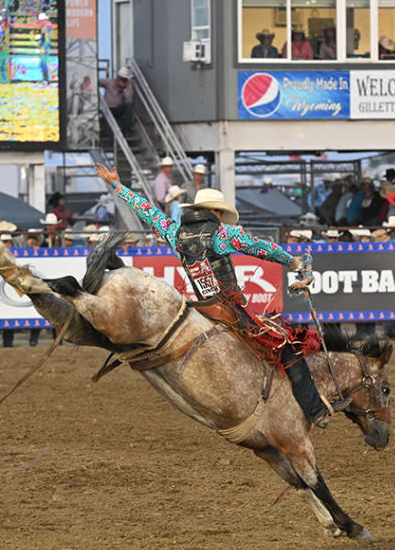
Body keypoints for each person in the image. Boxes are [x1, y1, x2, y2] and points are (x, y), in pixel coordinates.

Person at [96, 163, 340, 428]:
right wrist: (291, 261)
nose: (222, 217)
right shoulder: (222, 234)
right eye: (220, 212)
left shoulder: (174, 232)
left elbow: (147, 211)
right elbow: (260, 247)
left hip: (199, 308)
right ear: (214, 212)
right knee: (286, 348)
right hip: (230, 309)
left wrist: (117, 185)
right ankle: (316, 410)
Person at [98, 67, 135, 133]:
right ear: (118, 77)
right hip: (108, 109)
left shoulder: (128, 85)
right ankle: (112, 137)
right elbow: (97, 81)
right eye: (120, 78)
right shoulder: (109, 82)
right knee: (106, 117)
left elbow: (129, 99)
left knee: (129, 104)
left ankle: (126, 130)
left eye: (124, 79)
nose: (122, 80)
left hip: (118, 109)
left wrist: (124, 88)